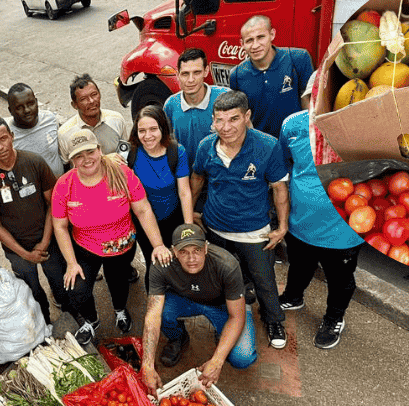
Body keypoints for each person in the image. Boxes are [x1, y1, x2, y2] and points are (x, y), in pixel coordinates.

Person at [51, 130, 172, 346]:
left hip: (120, 244)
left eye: (90, 152)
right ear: (71, 160)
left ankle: (119, 310)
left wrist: (158, 245)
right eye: (79, 156)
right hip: (85, 246)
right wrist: (71, 263)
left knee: (118, 283)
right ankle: (92, 320)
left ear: (99, 150)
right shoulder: (64, 185)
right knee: (77, 290)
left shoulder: (121, 174)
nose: (86, 159)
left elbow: (143, 210)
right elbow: (59, 226)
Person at [189, 90, 290, 350]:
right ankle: (226, 320)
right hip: (215, 230)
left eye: (233, 119)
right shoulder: (205, 147)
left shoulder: (268, 146)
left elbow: (279, 188)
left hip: (254, 232)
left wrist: (282, 227)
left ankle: (274, 320)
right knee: (222, 280)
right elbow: (198, 179)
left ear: (247, 117)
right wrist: (192, 215)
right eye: (219, 120)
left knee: (264, 281)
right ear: (212, 121)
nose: (226, 127)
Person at [277, 107, 364, 350]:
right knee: (299, 265)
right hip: (300, 223)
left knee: (340, 280)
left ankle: (334, 318)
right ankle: (293, 297)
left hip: (342, 233)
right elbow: (285, 163)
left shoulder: (359, 127)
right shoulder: (292, 124)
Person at [0, 115, 69, 327]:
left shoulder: (34, 162)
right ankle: (43, 326)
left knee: (61, 284)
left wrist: (44, 241)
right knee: (32, 292)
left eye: (3, 138)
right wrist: (25, 253)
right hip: (17, 251)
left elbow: (52, 203)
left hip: (48, 241)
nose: (0, 146)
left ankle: (72, 317)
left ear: (12, 136)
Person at [139, 223, 257, 394]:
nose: (191, 258)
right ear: (173, 251)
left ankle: (224, 332)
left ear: (206, 248)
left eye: (197, 250)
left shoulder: (227, 265)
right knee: (162, 310)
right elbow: (152, 315)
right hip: (187, 299)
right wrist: (147, 365)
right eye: (183, 252)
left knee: (242, 357)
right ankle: (178, 337)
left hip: (224, 305)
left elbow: (236, 317)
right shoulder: (162, 264)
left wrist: (217, 361)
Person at [127, 105, 193, 289]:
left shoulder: (176, 152)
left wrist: (188, 229)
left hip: (172, 218)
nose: (147, 136)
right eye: (142, 130)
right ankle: (156, 311)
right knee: (155, 264)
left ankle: (177, 308)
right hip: (144, 221)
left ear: (163, 128)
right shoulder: (130, 153)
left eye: (153, 129)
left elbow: (184, 192)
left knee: (177, 264)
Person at [227, 15, 313, 138]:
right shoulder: (236, 75)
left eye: (261, 37)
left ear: (272, 35)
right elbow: (242, 116)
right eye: (249, 40)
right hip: (263, 147)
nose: (255, 45)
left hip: (295, 142)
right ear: (242, 43)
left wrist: (307, 138)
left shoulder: (298, 59)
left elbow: (308, 103)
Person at [163, 47, 229, 154]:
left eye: (196, 72)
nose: (190, 80)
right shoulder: (170, 105)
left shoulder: (225, 98)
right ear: (178, 75)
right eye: (185, 74)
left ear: (206, 71)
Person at [57, 74, 130, 162]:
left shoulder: (116, 120)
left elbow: (125, 152)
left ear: (100, 94)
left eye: (94, 94)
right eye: (83, 99)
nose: (91, 101)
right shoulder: (65, 134)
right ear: (74, 105)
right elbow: (67, 165)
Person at [6, 82, 66, 177]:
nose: (27, 110)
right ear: (10, 110)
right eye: (19, 107)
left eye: (30, 103)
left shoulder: (50, 119)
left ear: (36, 102)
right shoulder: (7, 136)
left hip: (62, 187)